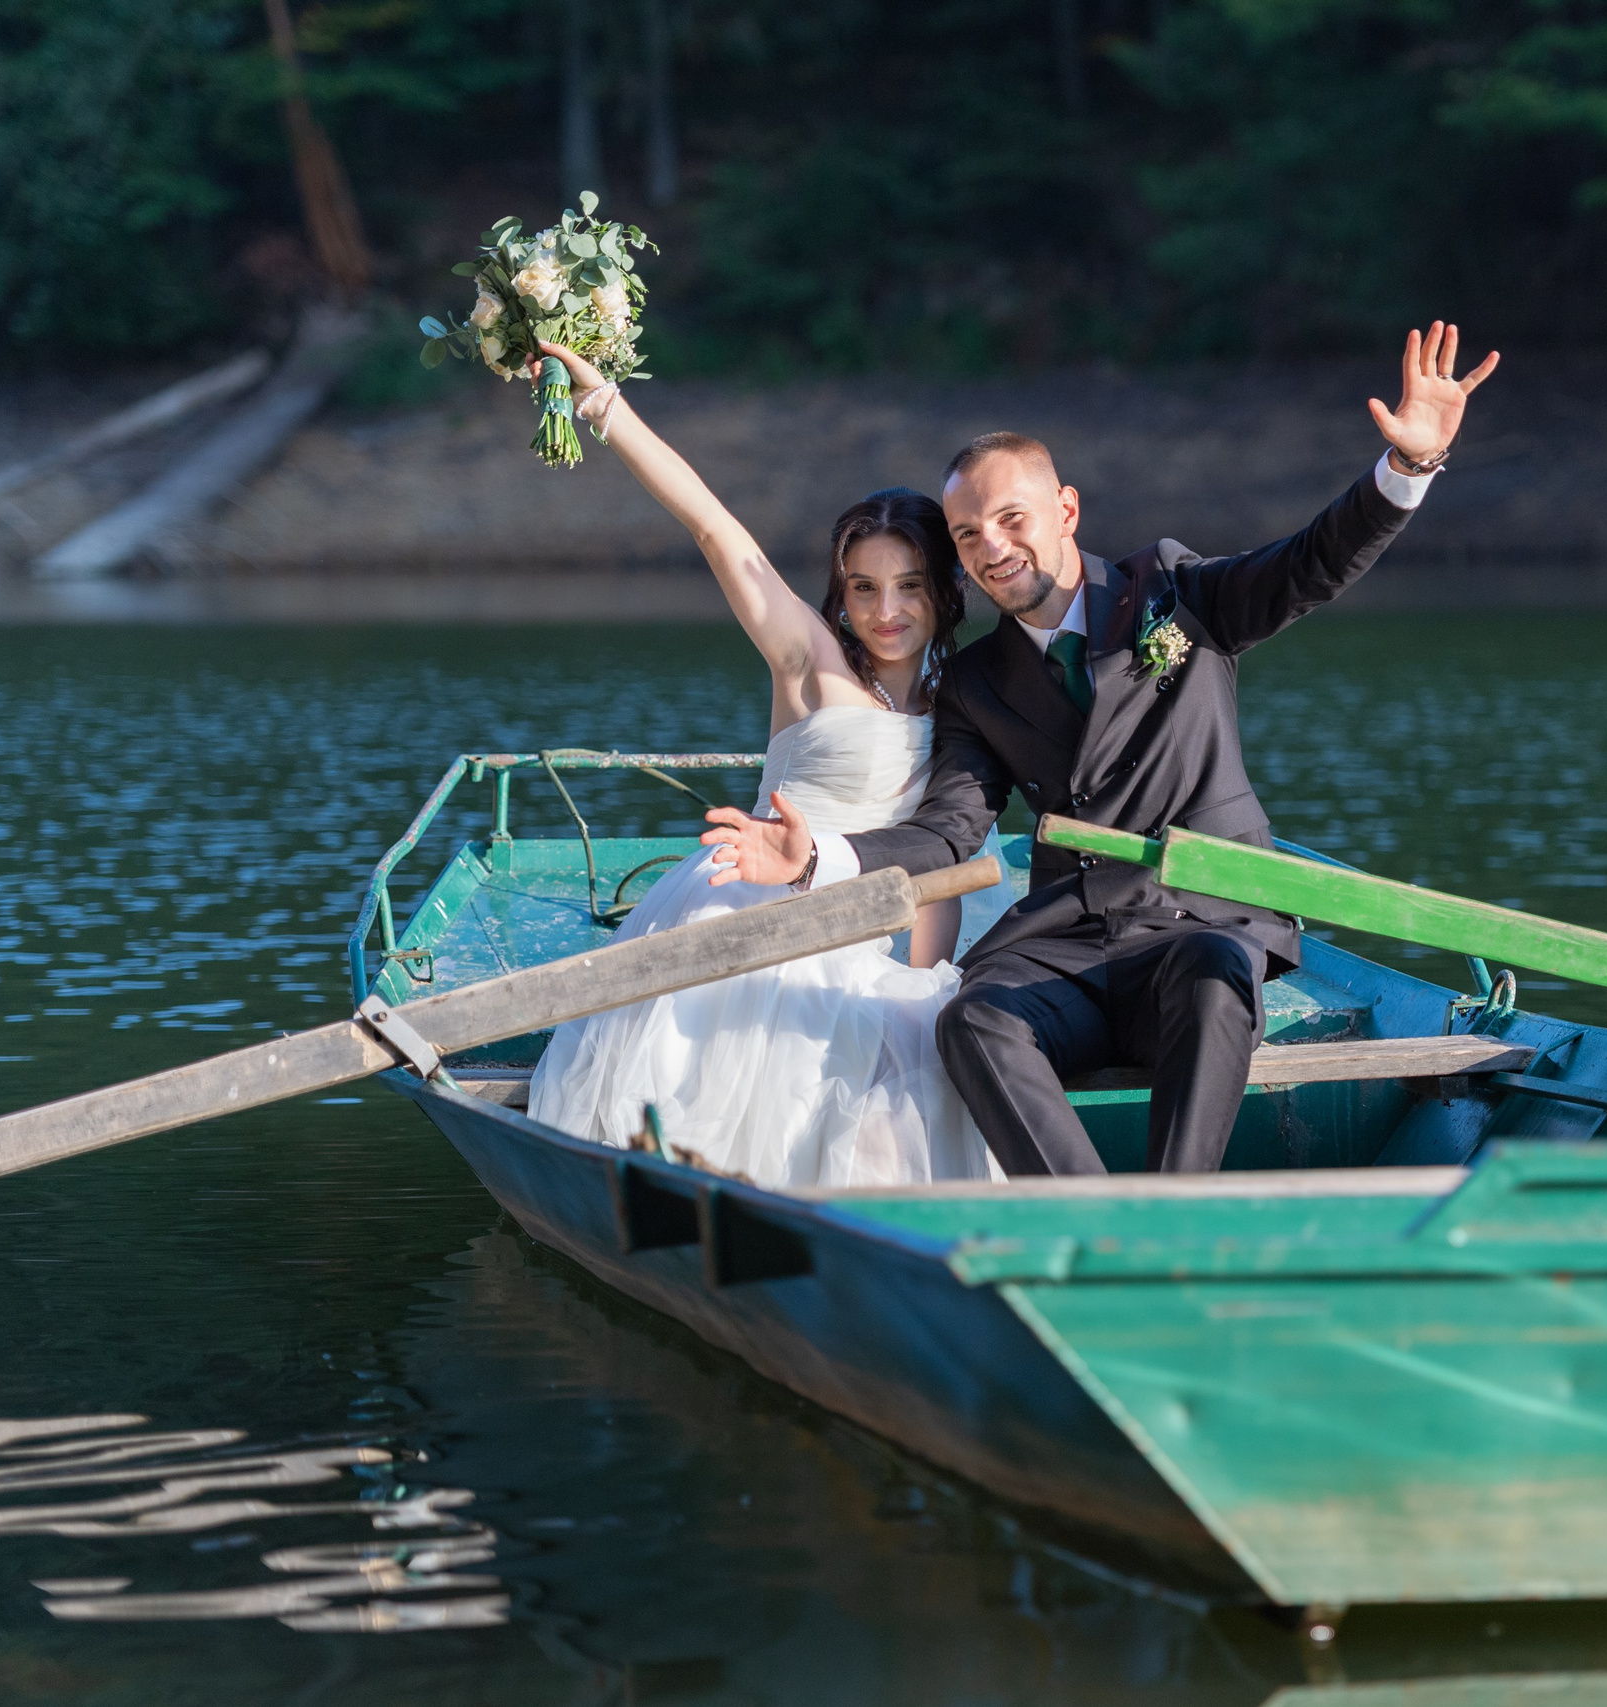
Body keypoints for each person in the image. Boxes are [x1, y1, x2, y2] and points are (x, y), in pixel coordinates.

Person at [702, 322, 1500, 1175]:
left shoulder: (1172, 590)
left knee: (1213, 972)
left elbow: (1307, 565)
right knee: (972, 1018)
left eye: (1011, 519)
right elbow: (947, 832)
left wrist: (1406, 470)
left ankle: (1167, 1212)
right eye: (969, 536)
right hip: (1069, 941)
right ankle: (1096, 1222)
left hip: (1197, 918)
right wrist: (816, 855)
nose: (993, 547)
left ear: (1066, 511)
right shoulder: (976, 682)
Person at [519, 338, 1001, 1188]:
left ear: (946, 590)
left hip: (875, 929)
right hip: (754, 903)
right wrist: (604, 404)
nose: (886, 611)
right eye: (863, 586)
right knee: (735, 1087)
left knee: (925, 1045)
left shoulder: (963, 702)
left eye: (911, 585)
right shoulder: (809, 663)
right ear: (840, 594)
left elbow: (937, 857)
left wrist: (922, 979)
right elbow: (715, 528)